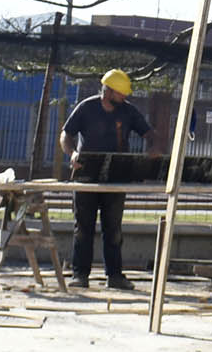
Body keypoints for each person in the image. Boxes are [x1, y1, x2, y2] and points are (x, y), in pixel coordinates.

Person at [61, 68, 150, 291]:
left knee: (113, 229)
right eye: (120, 93)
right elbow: (66, 134)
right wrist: (72, 155)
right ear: (108, 91)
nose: (124, 97)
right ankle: (80, 275)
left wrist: (154, 149)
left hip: (116, 177)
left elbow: (149, 133)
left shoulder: (128, 112)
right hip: (86, 177)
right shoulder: (86, 108)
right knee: (83, 227)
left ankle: (115, 276)